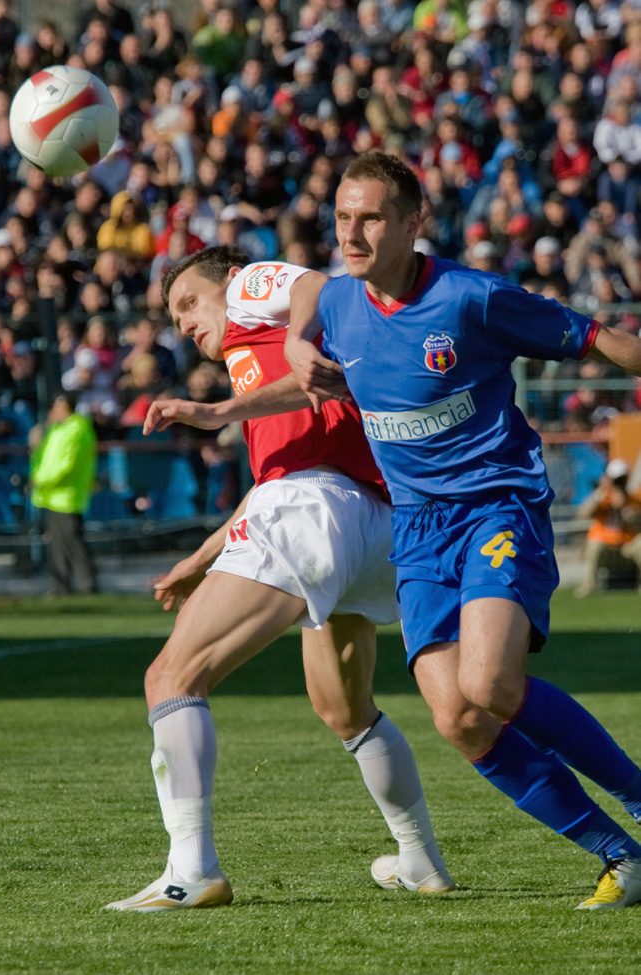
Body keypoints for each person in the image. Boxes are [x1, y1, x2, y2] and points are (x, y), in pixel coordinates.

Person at [285, 150, 641, 911]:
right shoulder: (340, 301)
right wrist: (288, 345)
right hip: (416, 530)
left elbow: (597, 337)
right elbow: (306, 290)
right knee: (457, 715)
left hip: (496, 507)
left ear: (416, 225)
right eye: (343, 216)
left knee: (490, 684)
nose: (351, 231)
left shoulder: (472, 298)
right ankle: (619, 853)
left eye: (371, 217)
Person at [105, 245, 454, 912]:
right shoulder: (261, 377)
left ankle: (191, 871)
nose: (183, 322)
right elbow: (276, 479)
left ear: (229, 285)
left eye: (188, 303)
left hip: (316, 508)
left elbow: (316, 285)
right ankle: (420, 860)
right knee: (345, 710)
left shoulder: (249, 293)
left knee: (171, 677)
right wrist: (199, 560)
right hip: (370, 522)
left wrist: (226, 400)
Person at [30, 392, 98, 596]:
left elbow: (65, 465)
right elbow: (43, 456)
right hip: (52, 495)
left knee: (72, 542)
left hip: (66, 495)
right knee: (57, 544)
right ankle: (61, 586)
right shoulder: (58, 429)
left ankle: (87, 584)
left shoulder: (76, 429)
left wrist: (40, 479)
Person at [575, 458, 641, 596]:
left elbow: (637, 527)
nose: (619, 484)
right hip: (606, 546)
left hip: (627, 547)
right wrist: (599, 494)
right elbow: (582, 514)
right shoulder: (601, 498)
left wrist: (625, 509)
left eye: (621, 480)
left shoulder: (633, 500)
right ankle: (589, 585)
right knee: (595, 543)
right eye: (616, 480)